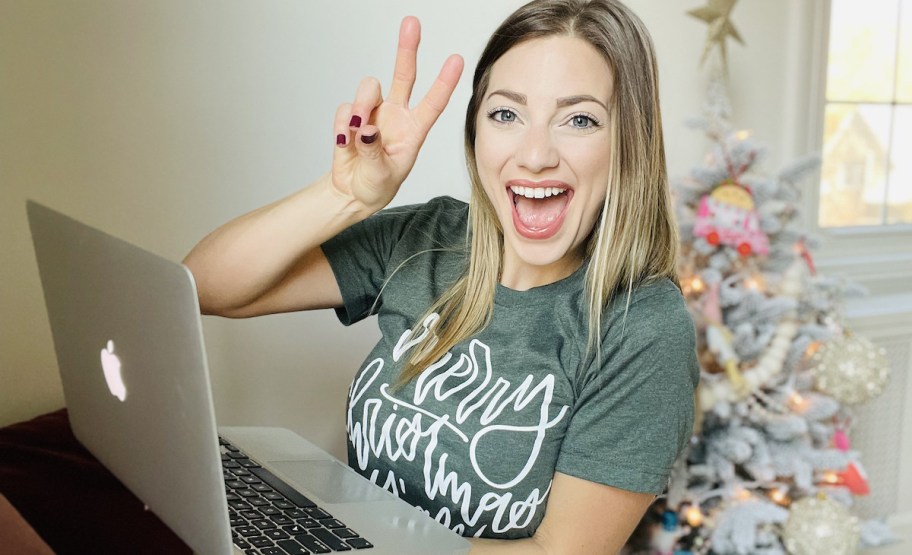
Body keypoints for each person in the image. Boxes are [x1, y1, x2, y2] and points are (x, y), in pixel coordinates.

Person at [183, 0, 699, 552]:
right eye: (506, 113)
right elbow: (205, 287)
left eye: (580, 119)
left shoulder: (643, 328)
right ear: (476, 131)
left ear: (629, 143)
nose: (534, 154)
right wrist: (343, 197)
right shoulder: (432, 237)